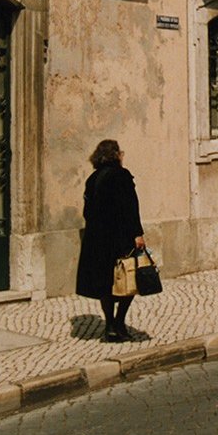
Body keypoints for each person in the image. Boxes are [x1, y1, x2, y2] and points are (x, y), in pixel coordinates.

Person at [75, 139, 146, 342]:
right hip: (119, 236)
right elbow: (131, 208)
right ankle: (119, 322)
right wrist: (137, 233)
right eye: (120, 152)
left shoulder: (93, 179)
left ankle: (109, 326)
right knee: (129, 278)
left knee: (105, 282)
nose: (122, 155)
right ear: (115, 154)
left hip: (97, 238)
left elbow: (87, 212)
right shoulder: (121, 176)